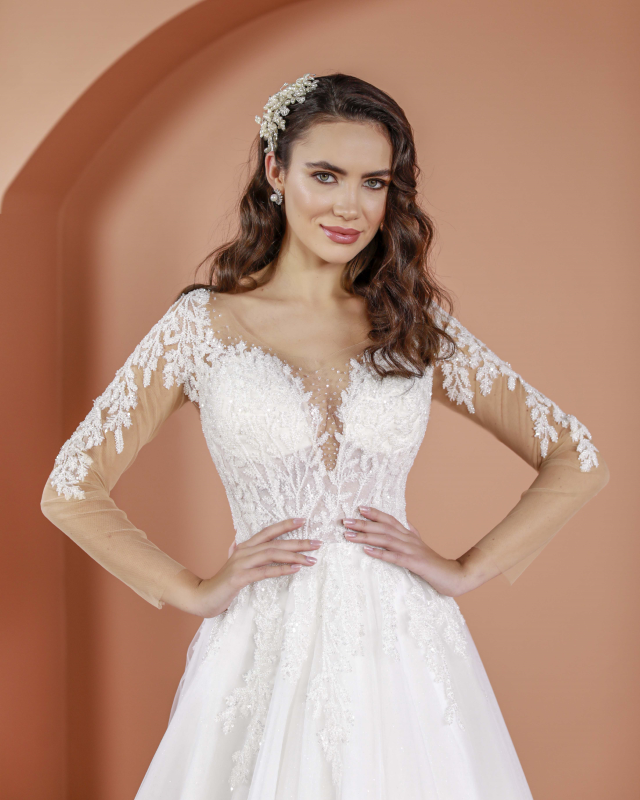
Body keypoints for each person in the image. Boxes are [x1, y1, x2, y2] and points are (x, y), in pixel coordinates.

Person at [40, 72, 609, 799]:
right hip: (263, 649)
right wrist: (194, 591)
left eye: (375, 183)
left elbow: (576, 457)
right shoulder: (201, 327)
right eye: (326, 175)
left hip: (404, 653)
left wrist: (467, 569)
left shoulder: (411, 326)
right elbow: (71, 487)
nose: (350, 207)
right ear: (275, 173)